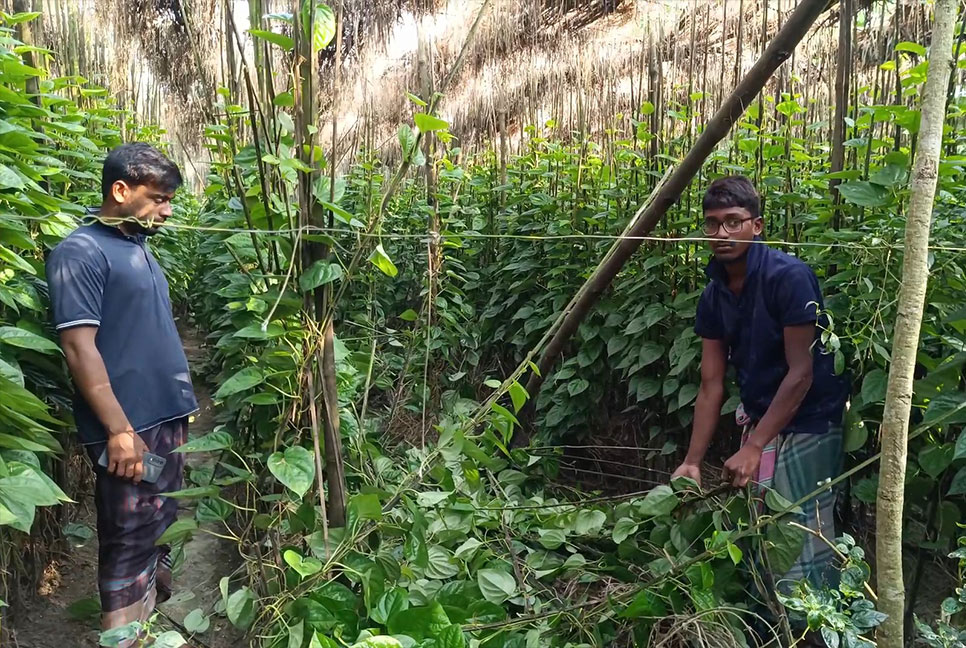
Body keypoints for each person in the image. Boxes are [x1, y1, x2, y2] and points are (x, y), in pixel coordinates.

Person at [46, 143, 197, 641]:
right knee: (129, 540)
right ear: (120, 191)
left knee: (158, 531)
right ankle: (121, 637)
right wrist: (119, 431)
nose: (167, 209)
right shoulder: (80, 251)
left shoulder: (135, 245)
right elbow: (78, 347)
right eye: (158, 198)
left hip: (163, 421)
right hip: (130, 429)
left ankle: (143, 630)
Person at [670, 175, 849, 588]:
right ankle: (767, 616)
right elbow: (710, 384)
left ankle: (811, 627)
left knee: (800, 528)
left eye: (734, 221)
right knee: (760, 525)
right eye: (712, 224)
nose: (722, 233)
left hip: (810, 418)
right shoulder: (714, 294)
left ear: (757, 225)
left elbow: (801, 374)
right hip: (762, 412)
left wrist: (754, 446)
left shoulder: (789, 276)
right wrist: (693, 462)